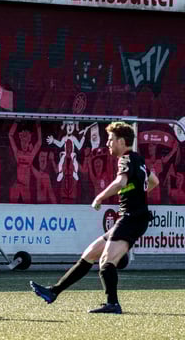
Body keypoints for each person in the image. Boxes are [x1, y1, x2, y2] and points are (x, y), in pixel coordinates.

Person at [30, 121, 159, 314]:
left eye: (111, 139)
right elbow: (154, 181)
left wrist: (99, 197)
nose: (108, 143)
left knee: (106, 262)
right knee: (90, 254)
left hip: (132, 218)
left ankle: (113, 304)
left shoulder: (125, 159)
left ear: (121, 142)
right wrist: (138, 193)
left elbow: (120, 182)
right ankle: (53, 292)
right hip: (132, 218)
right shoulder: (138, 159)